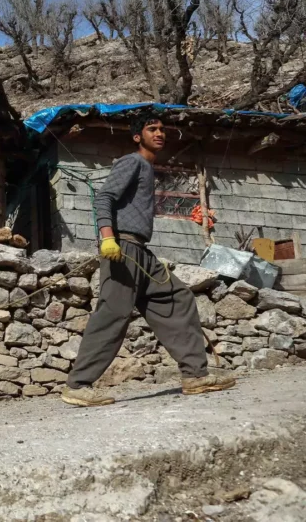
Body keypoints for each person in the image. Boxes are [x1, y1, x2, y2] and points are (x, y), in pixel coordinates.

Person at [61, 112, 236, 407]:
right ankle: (78, 385)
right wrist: (107, 237)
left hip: (141, 252)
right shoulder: (133, 162)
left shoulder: (147, 168)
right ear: (136, 136)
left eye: (162, 129)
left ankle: (195, 375)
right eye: (151, 129)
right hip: (122, 249)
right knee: (113, 313)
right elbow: (104, 198)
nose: (159, 133)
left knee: (177, 297)